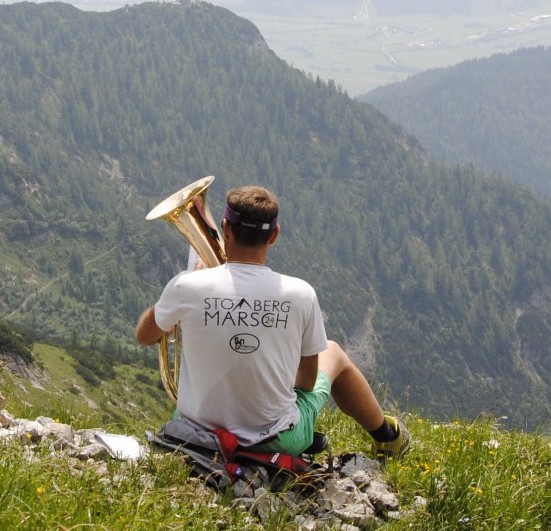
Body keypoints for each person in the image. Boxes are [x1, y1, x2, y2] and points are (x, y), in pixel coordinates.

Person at [135, 185, 410, 459]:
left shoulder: (186, 286)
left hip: (195, 436)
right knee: (333, 351)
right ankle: (387, 437)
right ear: (274, 236)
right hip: (277, 440)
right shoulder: (301, 293)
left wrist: (178, 299)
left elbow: (145, 336)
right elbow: (307, 382)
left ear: (224, 228)